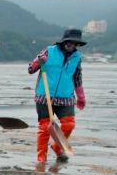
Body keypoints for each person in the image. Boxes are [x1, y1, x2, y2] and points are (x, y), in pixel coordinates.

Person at [28, 28, 86, 164]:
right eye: (70, 43)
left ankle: (56, 146)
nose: (73, 46)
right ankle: (41, 159)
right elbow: (30, 69)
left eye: (76, 44)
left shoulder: (77, 57)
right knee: (45, 128)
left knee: (69, 124)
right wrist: (39, 61)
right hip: (45, 96)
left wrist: (81, 96)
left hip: (66, 97)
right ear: (64, 41)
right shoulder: (49, 51)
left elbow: (77, 78)